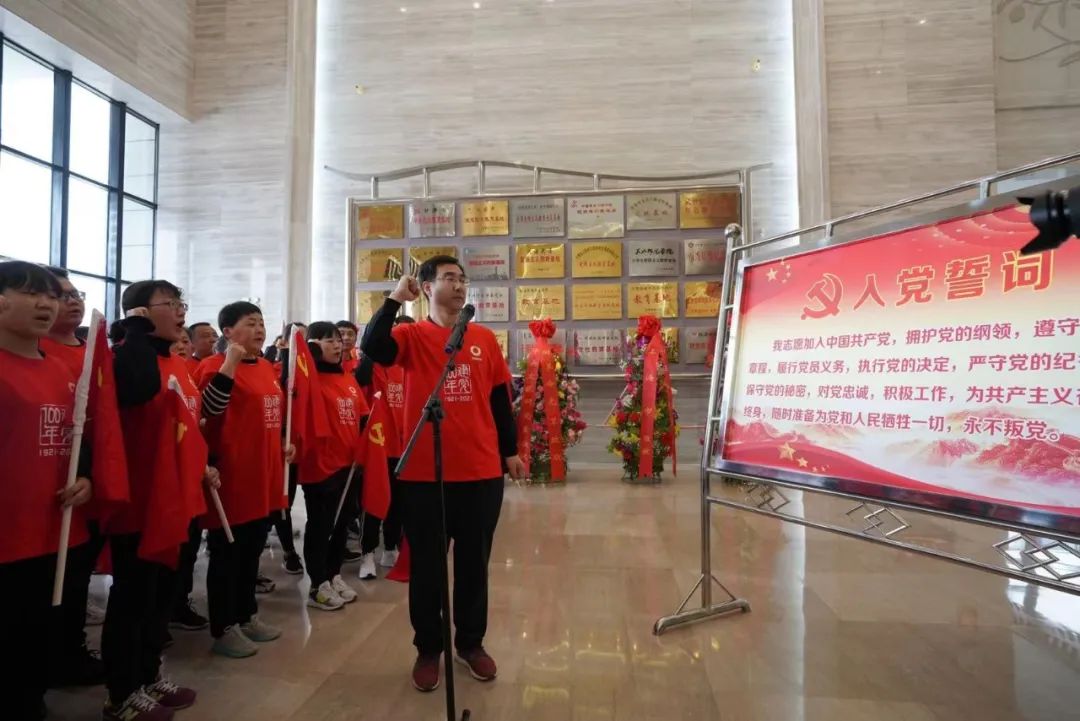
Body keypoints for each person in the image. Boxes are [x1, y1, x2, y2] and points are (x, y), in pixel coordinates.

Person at [360, 256, 526, 692]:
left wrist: (509, 451)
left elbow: (498, 399)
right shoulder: (410, 336)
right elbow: (373, 346)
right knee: (428, 568)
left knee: (474, 565)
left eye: (462, 279)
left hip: (480, 471)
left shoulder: (484, 338)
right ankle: (428, 648)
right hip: (423, 474)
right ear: (428, 287)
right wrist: (395, 299)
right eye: (449, 278)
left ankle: (470, 643)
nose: (459, 285)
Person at [102, 279, 208, 720]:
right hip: (139, 498)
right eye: (170, 304)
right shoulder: (126, 357)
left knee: (161, 594)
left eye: (181, 303)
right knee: (133, 596)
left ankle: (148, 674)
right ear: (140, 313)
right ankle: (121, 693)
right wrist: (135, 333)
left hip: (175, 498)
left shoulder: (176, 362)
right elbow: (138, 389)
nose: (181, 311)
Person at [0, 260, 95, 721]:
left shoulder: (63, 369)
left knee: (41, 633)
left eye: (51, 296)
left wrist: (87, 479)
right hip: (8, 536)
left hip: (58, 529)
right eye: (30, 293)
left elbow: (80, 439)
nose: (46, 304)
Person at [195, 301, 291, 658]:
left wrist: (284, 442)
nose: (259, 329)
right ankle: (224, 627)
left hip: (264, 475)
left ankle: (246, 614)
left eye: (261, 322)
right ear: (228, 331)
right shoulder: (212, 367)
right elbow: (208, 412)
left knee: (252, 550)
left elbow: (271, 416)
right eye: (250, 323)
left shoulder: (265, 367)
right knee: (228, 554)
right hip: (232, 476)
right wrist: (230, 364)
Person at [39, 267, 108, 688]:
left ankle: (71, 650)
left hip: (89, 485)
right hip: (42, 489)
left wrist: (94, 474)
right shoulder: (34, 352)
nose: (72, 301)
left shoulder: (94, 354)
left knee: (76, 577)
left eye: (75, 293)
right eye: (60, 295)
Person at [297, 322, 370, 610]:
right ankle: (318, 584)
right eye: (328, 340)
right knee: (321, 525)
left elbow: (362, 416)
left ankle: (333, 574)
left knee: (341, 524)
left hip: (348, 466)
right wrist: (306, 352)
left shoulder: (347, 378)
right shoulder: (308, 379)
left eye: (338, 340)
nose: (337, 345)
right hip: (320, 466)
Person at [354, 315, 413, 580]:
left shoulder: (410, 367)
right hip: (379, 445)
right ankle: (367, 553)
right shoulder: (373, 362)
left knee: (398, 502)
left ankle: (390, 548)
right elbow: (358, 384)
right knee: (374, 499)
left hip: (405, 446)